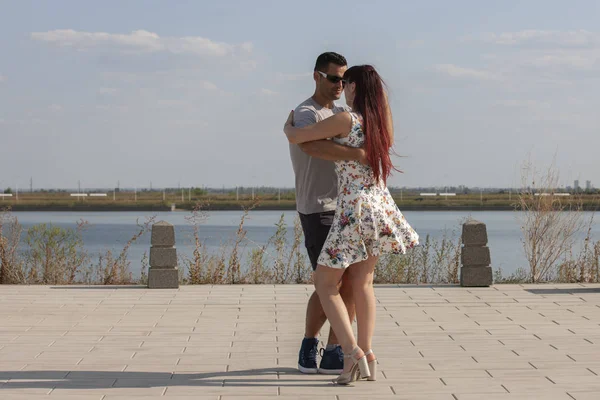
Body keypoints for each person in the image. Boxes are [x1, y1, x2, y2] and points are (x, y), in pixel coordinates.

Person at [284, 65, 419, 384]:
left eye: (346, 83)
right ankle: (368, 353)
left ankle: (351, 352)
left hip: (353, 209)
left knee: (325, 283)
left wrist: (289, 127)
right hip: (380, 205)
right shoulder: (382, 124)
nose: (342, 88)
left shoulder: (347, 119)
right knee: (362, 284)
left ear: (355, 87)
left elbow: (302, 137)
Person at [287, 52, 367, 375]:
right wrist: (359, 154)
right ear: (317, 77)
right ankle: (309, 345)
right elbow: (310, 146)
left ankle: (334, 350)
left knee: (348, 281)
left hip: (345, 208)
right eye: (334, 78)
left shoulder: (341, 113)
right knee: (327, 283)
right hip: (317, 207)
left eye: (344, 79)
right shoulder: (306, 114)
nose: (340, 85)